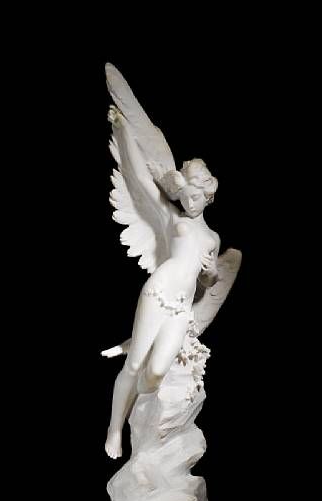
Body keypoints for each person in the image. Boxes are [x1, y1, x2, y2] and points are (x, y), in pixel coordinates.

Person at [105, 106, 221, 459]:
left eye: (196, 197)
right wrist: (123, 130)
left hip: (182, 306)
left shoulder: (212, 239)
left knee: (155, 372)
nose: (190, 201)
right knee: (134, 364)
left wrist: (210, 273)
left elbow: (208, 281)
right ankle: (114, 429)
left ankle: (141, 411)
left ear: (208, 197)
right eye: (186, 195)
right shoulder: (173, 220)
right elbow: (140, 178)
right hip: (159, 290)